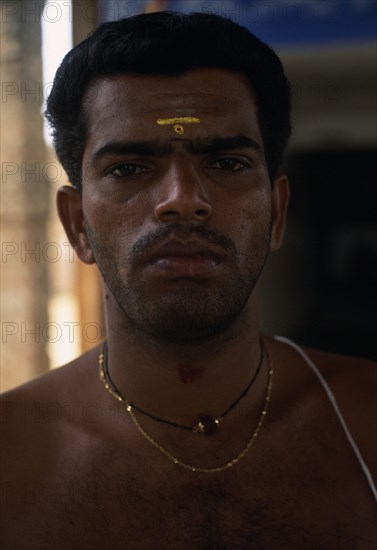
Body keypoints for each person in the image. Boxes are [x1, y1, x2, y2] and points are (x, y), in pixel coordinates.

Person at [1, 11, 376, 549]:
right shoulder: (12, 456)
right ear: (77, 224)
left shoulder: (364, 424)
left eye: (225, 162)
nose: (182, 199)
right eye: (129, 168)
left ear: (276, 213)